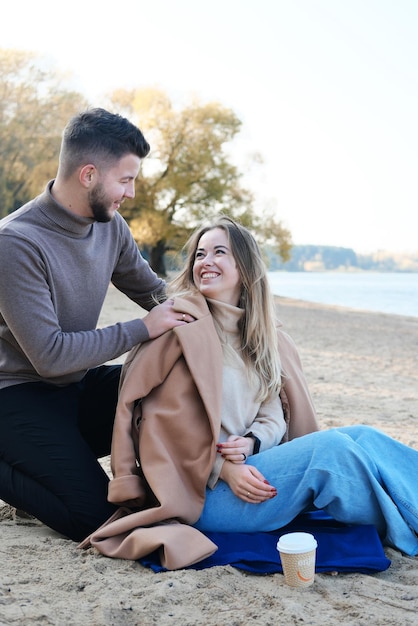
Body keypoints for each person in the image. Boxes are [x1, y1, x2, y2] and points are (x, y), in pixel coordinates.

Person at [85, 216, 418, 569]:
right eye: (199, 254)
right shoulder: (179, 332)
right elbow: (155, 428)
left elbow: (272, 413)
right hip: (200, 493)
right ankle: (406, 527)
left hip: (251, 469)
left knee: (363, 437)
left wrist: (253, 442)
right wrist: (221, 468)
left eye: (218, 252)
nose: (205, 262)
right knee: (331, 451)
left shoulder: (258, 337)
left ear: (244, 269)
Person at [0, 107, 194, 542]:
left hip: (75, 388)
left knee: (172, 386)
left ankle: (46, 460)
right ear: (88, 174)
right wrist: (143, 328)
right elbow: (50, 358)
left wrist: (225, 316)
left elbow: (155, 292)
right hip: (16, 395)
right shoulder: (15, 243)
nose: (129, 193)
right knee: (96, 518)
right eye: (125, 180)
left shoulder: (110, 227)